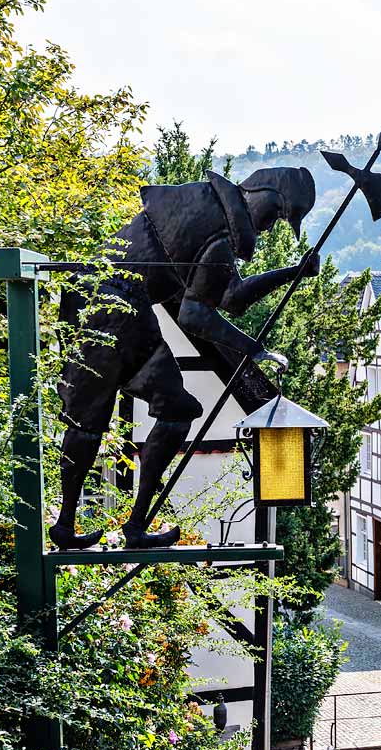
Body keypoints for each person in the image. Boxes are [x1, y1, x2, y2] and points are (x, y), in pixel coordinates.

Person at [51, 166, 317, 550]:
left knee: (145, 412)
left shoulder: (207, 207)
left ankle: (88, 525)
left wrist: (292, 273)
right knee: (116, 416)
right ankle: (116, 526)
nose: (272, 227)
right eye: (277, 215)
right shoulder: (218, 232)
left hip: (106, 298)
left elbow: (230, 297)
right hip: (113, 302)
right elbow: (197, 315)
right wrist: (253, 348)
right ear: (263, 195)